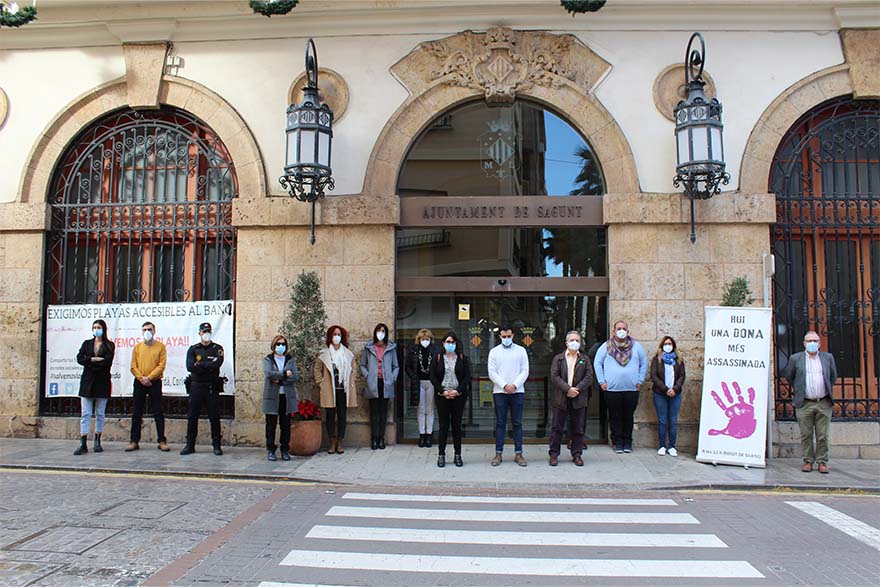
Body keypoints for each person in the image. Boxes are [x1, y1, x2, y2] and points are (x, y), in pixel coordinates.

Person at [781, 330, 838, 474]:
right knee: (806, 434)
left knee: (822, 435)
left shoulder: (828, 358)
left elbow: (833, 377)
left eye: (815, 341)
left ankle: (822, 462)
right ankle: (807, 461)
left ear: (819, 344)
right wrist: (799, 389)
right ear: (804, 344)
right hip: (804, 402)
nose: (813, 344)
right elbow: (789, 376)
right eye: (810, 341)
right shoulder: (796, 359)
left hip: (823, 402)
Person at [593, 320, 648, 454]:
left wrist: (640, 380)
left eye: (624, 328)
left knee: (628, 416)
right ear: (614, 331)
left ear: (628, 331)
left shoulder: (636, 347)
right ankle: (617, 442)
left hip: (631, 389)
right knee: (614, 416)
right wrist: (602, 382)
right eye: (619, 328)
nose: (621, 331)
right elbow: (597, 363)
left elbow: (644, 363)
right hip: (612, 390)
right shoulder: (606, 347)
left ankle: (627, 442)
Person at [548, 330, 593, 467]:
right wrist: (568, 389)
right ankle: (554, 454)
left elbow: (589, 376)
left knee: (578, 428)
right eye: (572, 340)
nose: (574, 343)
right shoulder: (558, 358)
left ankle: (577, 454)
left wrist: (577, 389)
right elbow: (554, 376)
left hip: (579, 397)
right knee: (557, 427)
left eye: (577, 340)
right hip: (561, 397)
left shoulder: (584, 359)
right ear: (566, 343)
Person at [487, 324, 530, 467]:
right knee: (500, 423)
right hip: (500, 392)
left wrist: (515, 385)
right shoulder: (494, 352)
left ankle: (519, 453)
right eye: (503, 336)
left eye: (508, 336)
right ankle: (498, 453)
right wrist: (505, 385)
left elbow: (525, 370)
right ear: (499, 336)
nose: (506, 338)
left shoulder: (521, 350)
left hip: (517, 391)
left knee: (517, 423)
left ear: (513, 335)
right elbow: (492, 372)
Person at [181, 322, 224, 456]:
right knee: (192, 417)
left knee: (214, 417)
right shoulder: (193, 349)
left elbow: (217, 363)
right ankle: (190, 445)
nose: (206, 334)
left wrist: (200, 364)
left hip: (211, 386)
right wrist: (208, 365)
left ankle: (217, 445)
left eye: (208, 331)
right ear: (199, 333)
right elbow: (190, 366)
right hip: (196, 386)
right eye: (204, 331)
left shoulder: (218, 348)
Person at [74, 319, 115, 455]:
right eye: (94, 327)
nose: (96, 329)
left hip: (102, 382)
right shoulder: (87, 344)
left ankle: (97, 440)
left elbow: (107, 362)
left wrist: (91, 363)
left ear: (103, 329)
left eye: (99, 327)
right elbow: (80, 358)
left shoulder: (109, 345)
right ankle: (83, 441)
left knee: (100, 413)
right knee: (85, 413)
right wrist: (92, 360)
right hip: (87, 383)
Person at [430, 331, 471, 468]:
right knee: (443, 426)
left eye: (452, 342)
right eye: (448, 342)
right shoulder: (437, 358)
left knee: (456, 426)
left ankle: (457, 455)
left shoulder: (462, 358)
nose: (450, 344)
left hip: (458, 396)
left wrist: (457, 391)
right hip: (442, 396)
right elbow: (432, 377)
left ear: (456, 344)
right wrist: (443, 391)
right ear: (443, 343)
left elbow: (467, 377)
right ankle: (441, 455)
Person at [126, 321, 168, 452]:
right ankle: (134, 441)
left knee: (158, 412)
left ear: (154, 331)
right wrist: (142, 378)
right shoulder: (137, 347)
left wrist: (149, 378)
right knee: (137, 412)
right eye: (144, 330)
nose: (147, 332)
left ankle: (162, 440)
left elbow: (161, 365)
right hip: (139, 382)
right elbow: (133, 366)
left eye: (149, 329)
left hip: (154, 382)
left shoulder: (160, 347)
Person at [315, 325, 356, 454]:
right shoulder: (323, 353)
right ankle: (331, 441)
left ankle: (340, 441)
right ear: (329, 337)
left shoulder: (348, 354)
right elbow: (317, 369)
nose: (336, 337)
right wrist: (321, 383)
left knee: (342, 416)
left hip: (343, 389)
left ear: (342, 337)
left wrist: (351, 380)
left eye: (338, 334)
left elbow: (354, 368)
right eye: (334, 334)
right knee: (330, 416)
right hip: (329, 390)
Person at [361, 323, 399, 450]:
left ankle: (381, 439)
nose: (380, 333)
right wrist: (367, 375)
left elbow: (396, 366)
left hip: (386, 383)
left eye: (383, 331)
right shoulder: (368, 347)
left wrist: (393, 377)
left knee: (383, 413)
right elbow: (362, 365)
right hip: (373, 383)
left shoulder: (391, 348)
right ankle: (374, 439)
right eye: (378, 330)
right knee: (374, 413)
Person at [263, 334, 299, 461]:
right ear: (274, 345)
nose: (281, 346)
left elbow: (295, 376)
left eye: (283, 344)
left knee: (285, 425)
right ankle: (271, 449)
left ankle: (285, 450)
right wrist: (284, 374)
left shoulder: (290, 359)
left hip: (286, 396)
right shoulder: (268, 359)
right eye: (278, 344)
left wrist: (280, 380)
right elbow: (268, 373)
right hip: (272, 396)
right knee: (271, 425)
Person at [650, 335, 686, 457]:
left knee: (673, 421)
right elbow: (653, 376)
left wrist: (675, 389)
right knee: (662, 420)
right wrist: (665, 389)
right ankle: (662, 446)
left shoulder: (679, 359)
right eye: (666, 344)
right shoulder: (657, 359)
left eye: (670, 344)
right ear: (662, 346)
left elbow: (682, 376)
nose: (668, 346)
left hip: (675, 394)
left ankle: (672, 446)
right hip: (660, 394)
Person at [406, 328, 437, 448]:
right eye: (423, 339)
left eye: (427, 339)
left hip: (431, 382)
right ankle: (422, 435)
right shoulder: (413, 350)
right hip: (418, 382)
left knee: (429, 409)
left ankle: (429, 435)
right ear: (418, 340)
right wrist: (413, 377)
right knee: (420, 409)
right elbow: (407, 366)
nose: (425, 341)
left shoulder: (435, 351)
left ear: (431, 339)